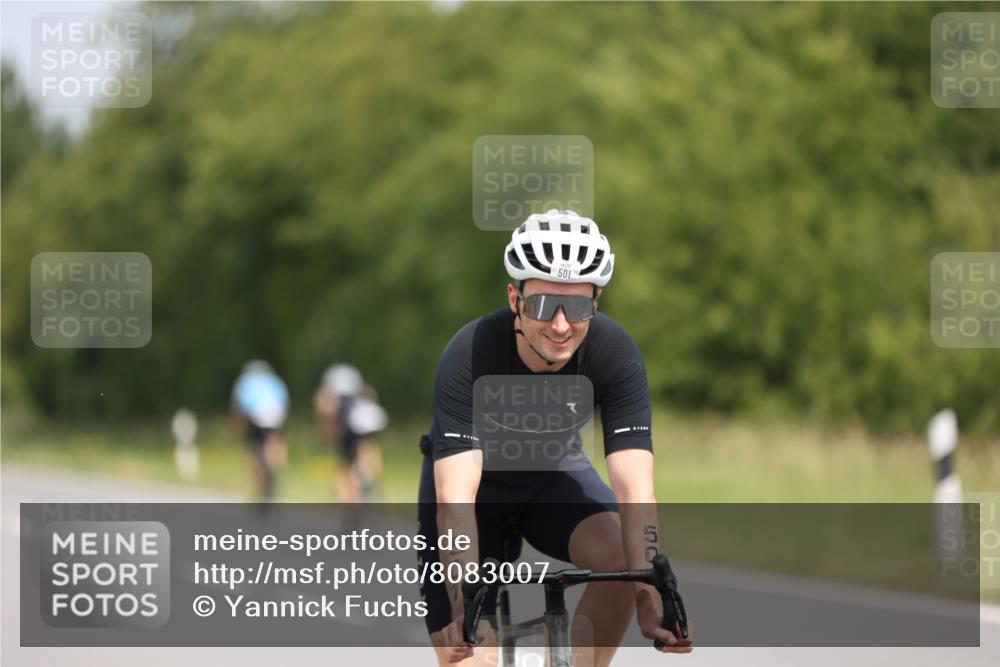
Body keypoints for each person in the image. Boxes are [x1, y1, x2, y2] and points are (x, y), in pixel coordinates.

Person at [417, 210, 694, 667]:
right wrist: (465, 607)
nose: (562, 325)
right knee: (466, 654)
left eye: (579, 307)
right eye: (545, 305)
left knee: (622, 559)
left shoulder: (614, 353)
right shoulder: (470, 353)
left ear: (596, 305)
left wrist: (650, 595)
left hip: (550, 478)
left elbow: (635, 489)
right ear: (515, 298)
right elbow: (455, 500)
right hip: (472, 501)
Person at [314, 364, 387, 502]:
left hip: (350, 428)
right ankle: (367, 477)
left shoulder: (335, 399)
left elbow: (328, 413)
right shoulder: (363, 395)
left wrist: (329, 432)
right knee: (368, 452)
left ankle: (351, 495)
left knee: (345, 466)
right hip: (370, 423)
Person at [231, 359, 289, 502]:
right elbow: (285, 403)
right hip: (275, 416)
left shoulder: (245, 381)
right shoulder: (275, 381)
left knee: (254, 450)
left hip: (254, 416)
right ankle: (273, 465)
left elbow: (239, 409)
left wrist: (242, 429)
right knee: (273, 441)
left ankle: (259, 482)